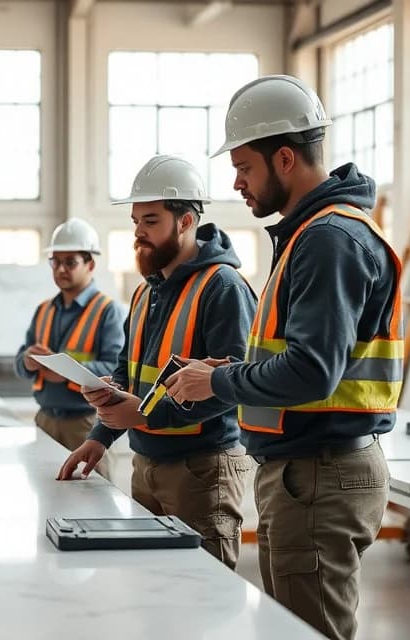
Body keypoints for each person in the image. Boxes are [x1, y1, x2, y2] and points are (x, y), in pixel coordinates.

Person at [164, 75, 402, 640]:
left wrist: (217, 387)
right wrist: (228, 372)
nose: (237, 181)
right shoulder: (309, 234)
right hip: (307, 471)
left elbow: (313, 372)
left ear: (286, 158)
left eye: (245, 166)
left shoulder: (328, 239)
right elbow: (303, 355)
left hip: (320, 472)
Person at [56, 155, 258, 570]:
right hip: (145, 463)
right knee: (155, 587)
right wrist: (100, 436)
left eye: (150, 221)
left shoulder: (223, 288)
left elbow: (233, 385)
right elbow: (130, 375)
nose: (138, 233)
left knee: (203, 596)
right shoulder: (147, 292)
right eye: (135, 221)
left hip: (202, 471)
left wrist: (144, 415)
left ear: (185, 222)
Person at [15, 218, 124, 479]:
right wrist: (27, 362)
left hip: (86, 425)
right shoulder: (43, 310)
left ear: (90, 264)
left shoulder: (108, 311)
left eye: (70, 262)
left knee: (93, 504)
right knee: (45, 498)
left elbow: (116, 369)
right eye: (55, 261)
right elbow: (20, 361)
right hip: (44, 422)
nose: (61, 269)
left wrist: (65, 374)